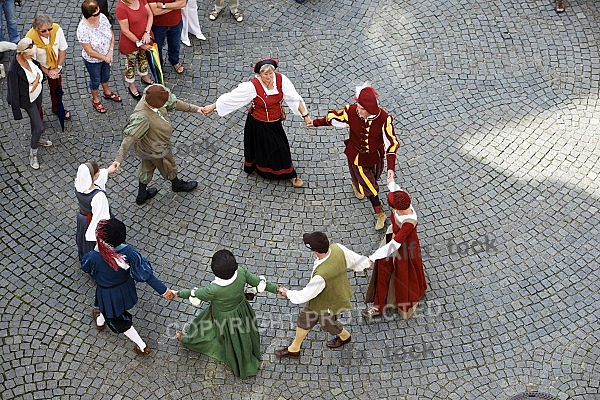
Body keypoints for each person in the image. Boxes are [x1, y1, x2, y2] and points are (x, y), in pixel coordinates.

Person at [201, 58, 309, 188]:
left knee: (281, 148)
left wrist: (305, 116)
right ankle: (273, 170)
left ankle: (289, 173)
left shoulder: (281, 80)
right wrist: (213, 106)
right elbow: (232, 97)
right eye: (265, 74)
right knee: (260, 148)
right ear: (259, 75)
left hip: (275, 123)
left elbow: (294, 98)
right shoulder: (251, 86)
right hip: (257, 123)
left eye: (271, 73)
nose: (269, 77)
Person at [308, 82, 400, 230]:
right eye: (358, 107)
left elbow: (392, 143)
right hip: (356, 156)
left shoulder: (384, 119)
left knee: (374, 177)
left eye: (362, 109)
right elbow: (333, 118)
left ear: (370, 109)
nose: (358, 111)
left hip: (375, 157)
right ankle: (379, 213)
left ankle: (355, 183)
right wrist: (315, 123)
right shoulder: (351, 111)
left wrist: (391, 168)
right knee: (371, 187)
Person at [175, 249, 279, 378]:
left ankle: (191, 340)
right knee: (243, 334)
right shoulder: (241, 272)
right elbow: (259, 283)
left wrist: (177, 293)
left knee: (226, 334)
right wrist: (278, 290)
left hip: (223, 316)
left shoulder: (213, 289)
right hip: (242, 310)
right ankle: (246, 355)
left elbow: (194, 294)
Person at [82, 218, 177, 355]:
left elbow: (86, 267)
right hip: (125, 289)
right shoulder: (130, 253)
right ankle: (100, 321)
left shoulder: (92, 257)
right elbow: (146, 275)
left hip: (108, 294)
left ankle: (142, 346)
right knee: (107, 310)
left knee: (119, 321)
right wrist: (164, 290)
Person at [275, 232, 369, 358]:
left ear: (314, 251)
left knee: (329, 324)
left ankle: (345, 337)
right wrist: (368, 263)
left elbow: (306, 294)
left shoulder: (321, 275)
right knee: (304, 320)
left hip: (329, 303)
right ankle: (294, 348)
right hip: (327, 297)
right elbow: (357, 260)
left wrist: (288, 294)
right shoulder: (338, 248)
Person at [111, 84, 202, 205]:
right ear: (155, 104)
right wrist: (118, 159)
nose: (167, 103)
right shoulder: (142, 117)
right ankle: (177, 184)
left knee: (147, 167)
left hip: (147, 148)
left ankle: (142, 195)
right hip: (156, 149)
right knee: (168, 165)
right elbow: (129, 138)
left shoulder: (153, 94)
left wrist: (196, 109)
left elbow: (173, 103)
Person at [364, 181, 426, 320]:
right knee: (383, 269)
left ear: (396, 207)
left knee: (403, 275)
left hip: (403, 247)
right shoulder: (403, 201)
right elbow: (394, 187)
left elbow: (395, 245)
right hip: (393, 239)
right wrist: (390, 174)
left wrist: (373, 257)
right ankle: (378, 305)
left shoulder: (409, 223)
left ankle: (396, 304)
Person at [6, 37, 53, 170]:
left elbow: (38, 75)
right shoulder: (13, 70)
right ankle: (33, 153)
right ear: (22, 53)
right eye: (30, 54)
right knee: (39, 127)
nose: (32, 56)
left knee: (35, 122)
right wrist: (17, 113)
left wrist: (37, 81)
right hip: (28, 100)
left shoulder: (29, 59)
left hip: (37, 95)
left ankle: (36, 139)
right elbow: (14, 92)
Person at [77, 0, 122, 114]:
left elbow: (110, 33)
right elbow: (89, 51)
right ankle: (96, 99)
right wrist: (105, 57)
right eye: (96, 14)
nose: (99, 15)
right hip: (93, 61)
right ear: (88, 16)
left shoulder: (102, 17)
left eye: (99, 12)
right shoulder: (82, 29)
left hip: (107, 55)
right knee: (95, 79)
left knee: (106, 75)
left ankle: (107, 92)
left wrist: (110, 51)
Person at [26, 14, 72, 121]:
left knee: (57, 90)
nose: (47, 33)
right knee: (37, 94)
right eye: (43, 31)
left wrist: (57, 68)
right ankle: (38, 117)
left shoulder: (57, 30)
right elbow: (32, 61)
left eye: (49, 29)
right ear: (36, 29)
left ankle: (57, 109)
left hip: (54, 66)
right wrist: (47, 71)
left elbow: (62, 50)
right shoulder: (30, 38)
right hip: (37, 68)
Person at [75, 160, 117, 261]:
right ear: (92, 177)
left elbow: (97, 176)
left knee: (83, 241)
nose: (99, 173)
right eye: (97, 172)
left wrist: (108, 171)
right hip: (92, 220)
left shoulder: (79, 183)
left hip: (83, 219)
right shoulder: (98, 196)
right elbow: (101, 220)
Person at [115, 0, 155, 100]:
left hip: (144, 38)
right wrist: (140, 44)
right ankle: (131, 85)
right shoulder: (121, 8)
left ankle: (144, 76)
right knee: (130, 64)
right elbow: (125, 31)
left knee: (143, 59)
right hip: (131, 43)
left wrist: (147, 32)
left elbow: (150, 15)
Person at [148, 0, 186, 74]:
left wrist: (163, 5)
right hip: (157, 26)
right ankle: (159, 67)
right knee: (157, 48)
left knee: (175, 45)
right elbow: (155, 11)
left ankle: (174, 61)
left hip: (175, 22)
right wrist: (175, 6)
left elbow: (183, 3)